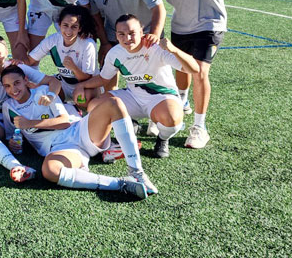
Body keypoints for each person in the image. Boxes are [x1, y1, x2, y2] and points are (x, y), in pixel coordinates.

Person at [141, 0, 248, 149]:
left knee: (199, 71)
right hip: (181, 24)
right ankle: (181, 104)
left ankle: (200, 127)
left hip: (210, 22)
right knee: (181, 69)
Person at [0, 65, 156, 199]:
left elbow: (64, 121)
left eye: (17, 83)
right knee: (49, 170)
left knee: (114, 103)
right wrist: (13, 143)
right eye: (7, 86)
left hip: (79, 131)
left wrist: (30, 123)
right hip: (60, 149)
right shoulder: (8, 107)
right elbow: (11, 135)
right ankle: (121, 184)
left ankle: (136, 172)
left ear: (26, 80)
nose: (13, 89)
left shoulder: (43, 92)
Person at [74, 14, 200, 158]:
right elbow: (103, 78)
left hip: (161, 98)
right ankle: (114, 140)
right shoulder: (115, 53)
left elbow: (194, 69)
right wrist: (82, 85)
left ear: (141, 32)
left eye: (132, 33)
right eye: (121, 34)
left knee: (171, 119)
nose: (127, 38)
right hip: (133, 96)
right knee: (94, 106)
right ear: (116, 35)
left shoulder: (156, 48)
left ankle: (163, 139)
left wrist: (173, 49)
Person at [0, 31, 56, 182]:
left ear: (7, 53)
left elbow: (53, 82)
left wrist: (49, 95)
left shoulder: (17, 68)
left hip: (25, 118)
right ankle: (16, 166)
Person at [27, 5, 98, 108]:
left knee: (82, 99)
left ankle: (80, 110)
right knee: (41, 92)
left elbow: (87, 78)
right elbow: (30, 60)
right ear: (59, 25)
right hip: (64, 83)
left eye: (74, 27)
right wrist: (15, 64)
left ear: (80, 28)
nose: (69, 31)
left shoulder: (88, 44)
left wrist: (74, 68)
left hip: (86, 85)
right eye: (65, 25)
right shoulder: (53, 40)